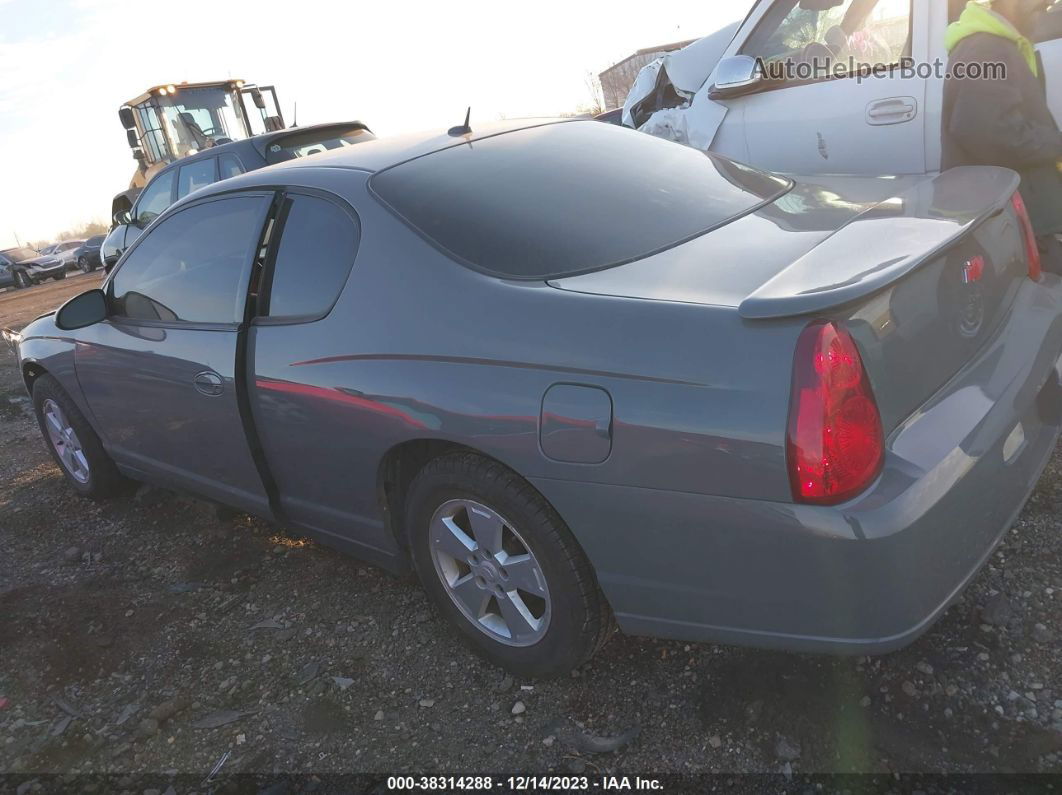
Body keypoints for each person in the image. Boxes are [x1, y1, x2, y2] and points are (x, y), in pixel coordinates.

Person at [944, 0, 1062, 269]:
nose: (1042, 13)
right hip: (1005, 224)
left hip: (1014, 217)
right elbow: (989, 131)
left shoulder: (999, 46)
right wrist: (1057, 142)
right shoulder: (984, 49)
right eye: (1037, 7)